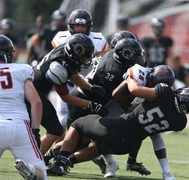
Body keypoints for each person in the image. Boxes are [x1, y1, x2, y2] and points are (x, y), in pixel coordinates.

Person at [46, 72, 189, 180]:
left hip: (115, 128)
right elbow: (157, 135)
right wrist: (166, 172)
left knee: (78, 124)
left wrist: (129, 77)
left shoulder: (165, 94)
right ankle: (68, 162)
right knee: (99, 148)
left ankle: (60, 163)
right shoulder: (180, 122)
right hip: (127, 146)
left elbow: (134, 89)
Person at [45, 37, 147, 178]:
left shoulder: (113, 54)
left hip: (93, 99)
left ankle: (54, 161)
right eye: (131, 54)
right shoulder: (113, 71)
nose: (136, 58)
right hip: (84, 100)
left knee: (80, 139)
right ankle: (52, 160)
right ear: (121, 54)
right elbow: (118, 95)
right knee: (78, 140)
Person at [27, 33, 109, 157]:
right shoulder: (59, 66)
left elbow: (74, 76)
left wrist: (91, 88)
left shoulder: (67, 51)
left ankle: (35, 159)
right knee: (55, 130)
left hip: (35, 90)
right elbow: (65, 97)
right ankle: (34, 160)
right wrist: (90, 105)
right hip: (33, 93)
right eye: (83, 58)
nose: (85, 61)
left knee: (55, 129)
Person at [0, 35, 47, 180]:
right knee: (42, 174)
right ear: (9, 53)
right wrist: (36, 130)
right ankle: (31, 169)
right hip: (20, 126)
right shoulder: (21, 69)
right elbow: (36, 102)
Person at [113, 64, 177, 180]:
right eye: (155, 84)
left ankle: (165, 171)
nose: (156, 88)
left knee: (153, 132)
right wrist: (128, 108)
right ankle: (110, 162)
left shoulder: (161, 89)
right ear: (151, 77)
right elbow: (117, 94)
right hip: (121, 106)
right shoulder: (138, 74)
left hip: (140, 109)